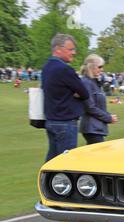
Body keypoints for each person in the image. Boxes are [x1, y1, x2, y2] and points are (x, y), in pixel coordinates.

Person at [41, 33, 89, 162]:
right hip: (65, 122)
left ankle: (44, 182)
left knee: (52, 161)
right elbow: (84, 93)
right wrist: (74, 93)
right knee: (67, 163)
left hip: (51, 120)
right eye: (70, 49)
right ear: (58, 49)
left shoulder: (46, 67)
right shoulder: (64, 69)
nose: (73, 53)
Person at [79, 54, 118, 145]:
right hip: (92, 128)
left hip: (95, 128)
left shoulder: (93, 82)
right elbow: (90, 107)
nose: (102, 70)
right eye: (99, 67)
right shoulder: (87, 83)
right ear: (91, 67)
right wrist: (108, 117)